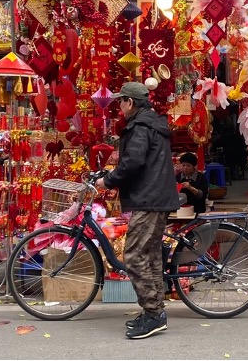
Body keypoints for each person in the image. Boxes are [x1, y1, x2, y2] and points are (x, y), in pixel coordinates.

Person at [95, 82, 179, 340]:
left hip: (149, 199)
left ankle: (153, 314)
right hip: (155, 197)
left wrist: (108, 180)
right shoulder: (152, 124)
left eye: (121, 101)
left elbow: (133, 161)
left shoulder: (141, 127)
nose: (119, 106)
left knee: (133, 256)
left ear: (130, 103)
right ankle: (155, 312)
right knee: (150, 255)